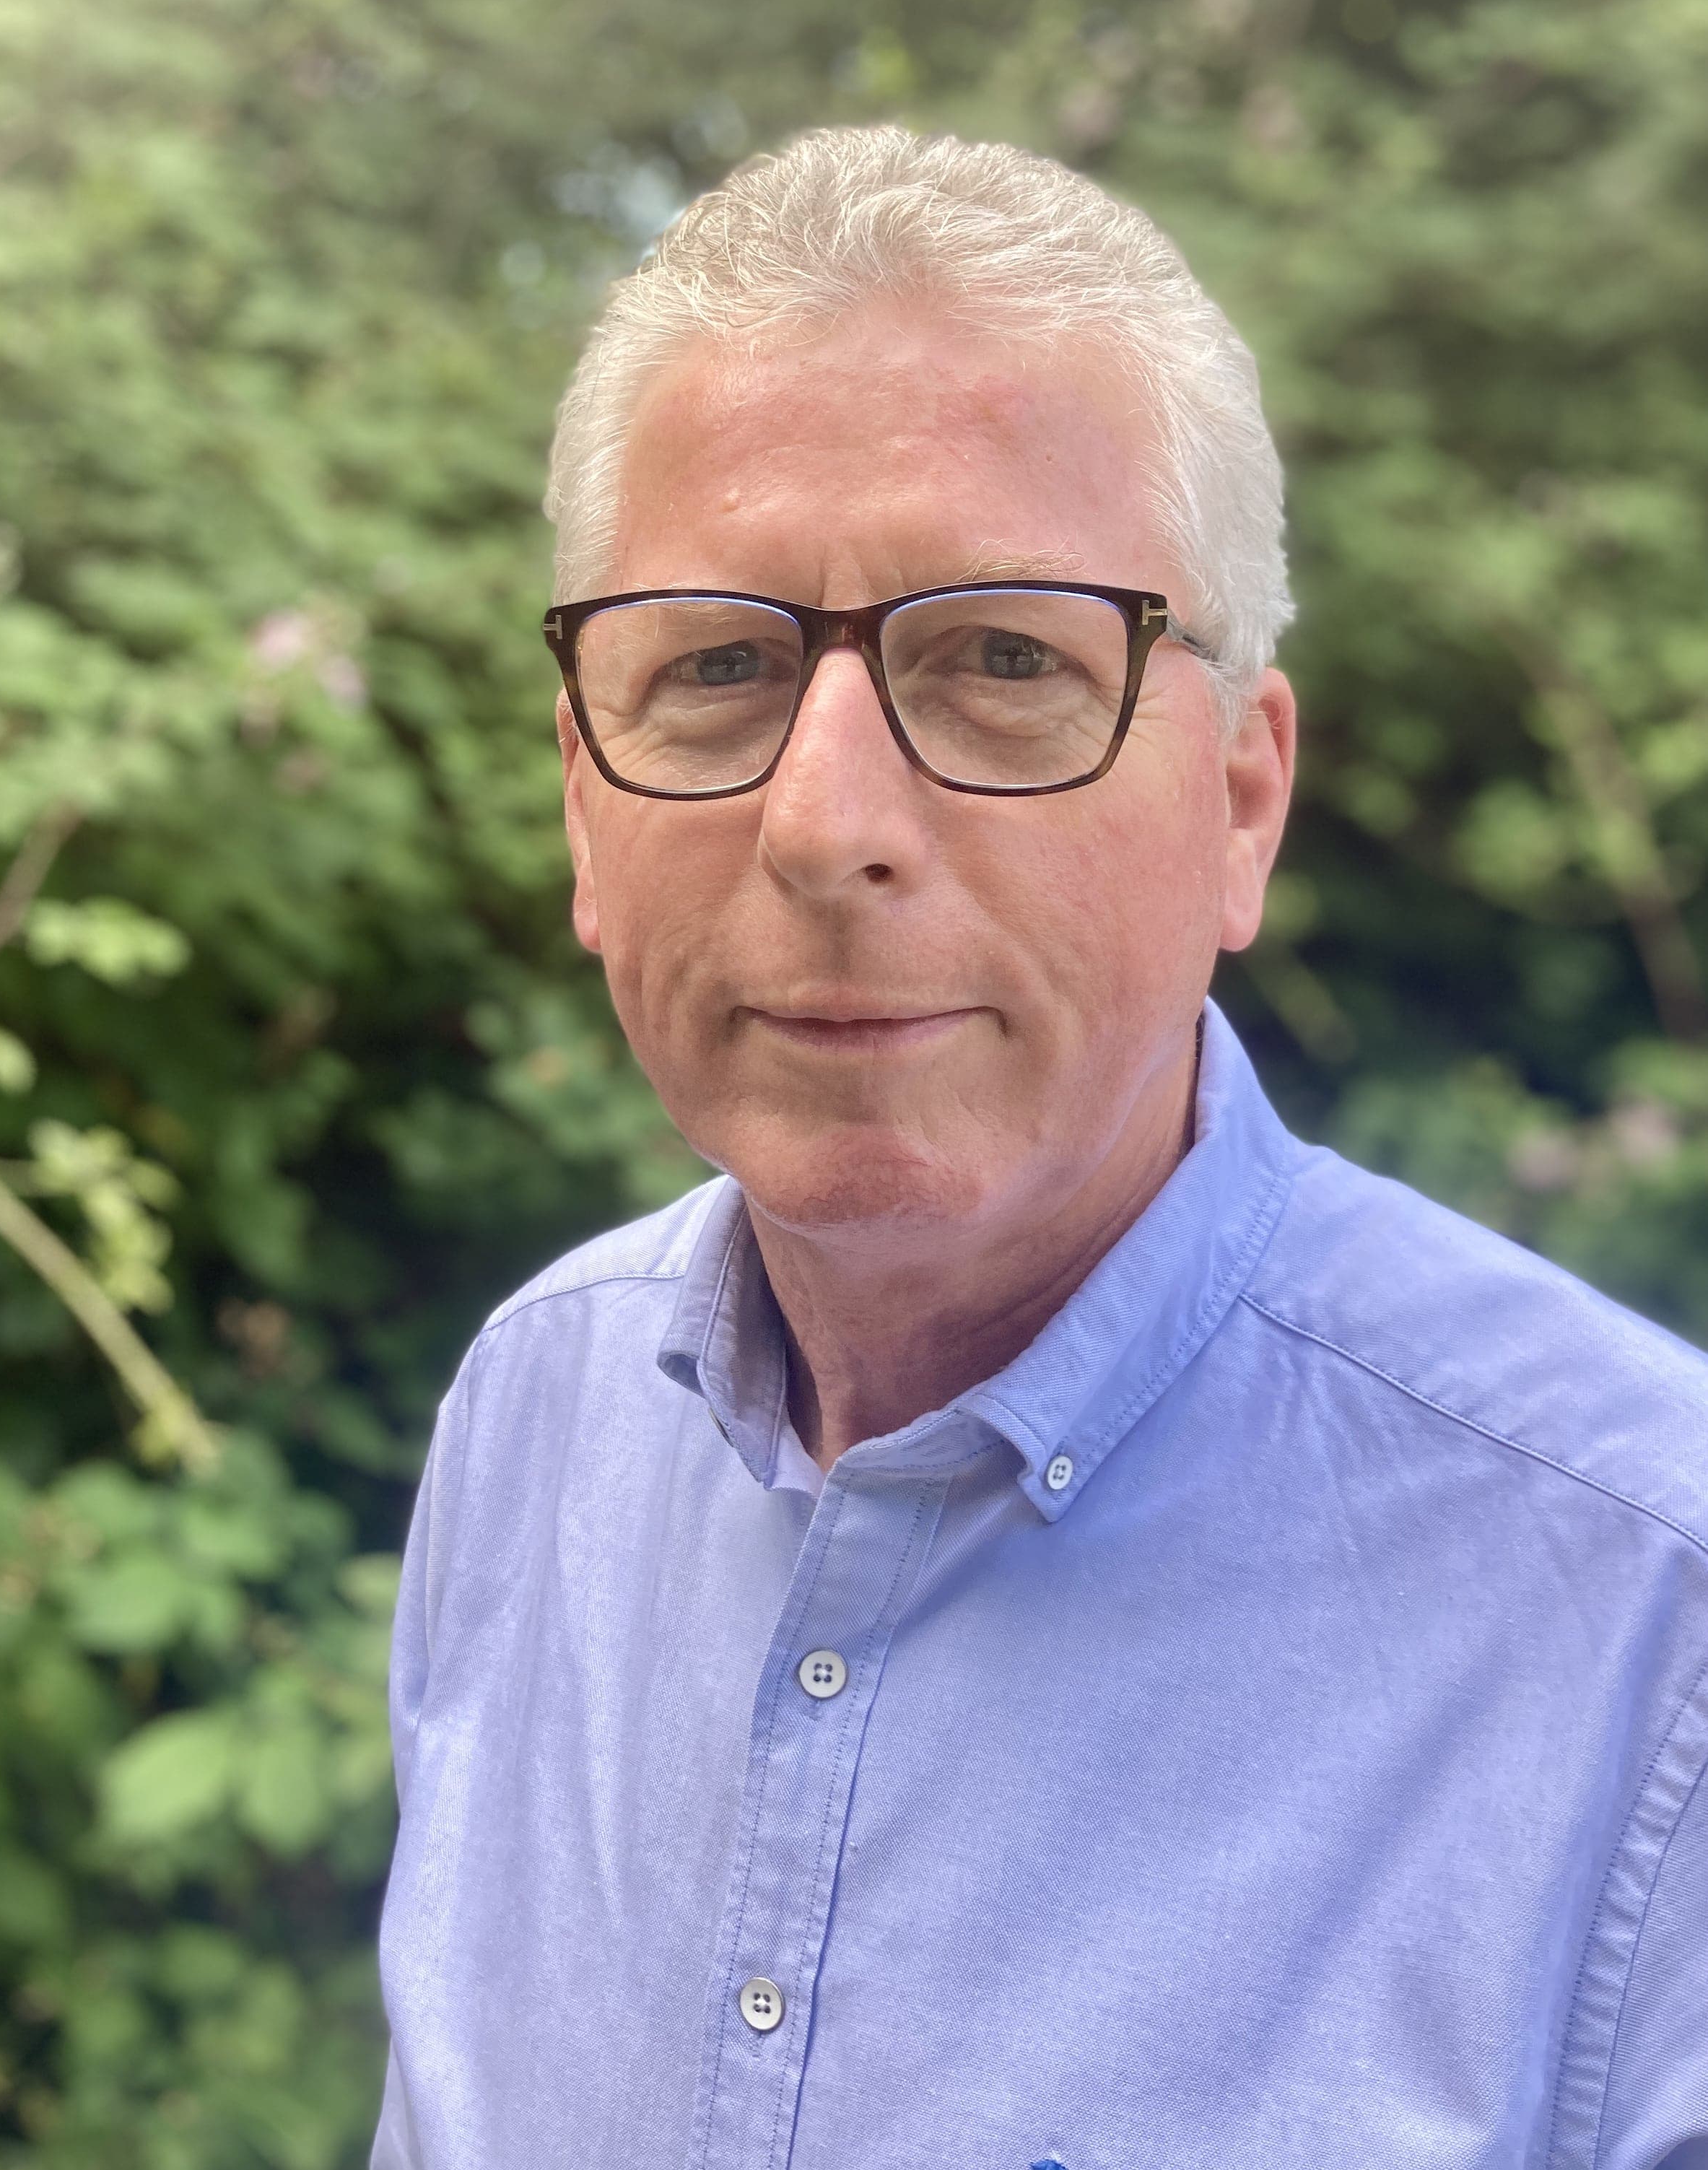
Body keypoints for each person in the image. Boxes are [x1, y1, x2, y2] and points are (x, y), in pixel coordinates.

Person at [370, 127, 1708, 2170]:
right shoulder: (530, 1420)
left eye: (1002, 658)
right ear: (580, 801)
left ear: (1241, 802)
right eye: (714, 666)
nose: (824, 822)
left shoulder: (1646, 1630)